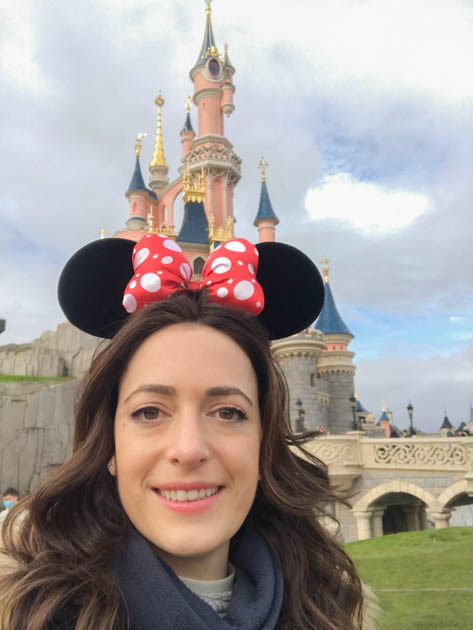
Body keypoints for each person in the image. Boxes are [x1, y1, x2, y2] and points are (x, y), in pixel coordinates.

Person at [0, 236, 375, 629]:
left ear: (265, 445)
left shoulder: (331, 610)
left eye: (229, 413)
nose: (188, 448)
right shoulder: (28, 614)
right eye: (149, 412)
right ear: (109, 445)